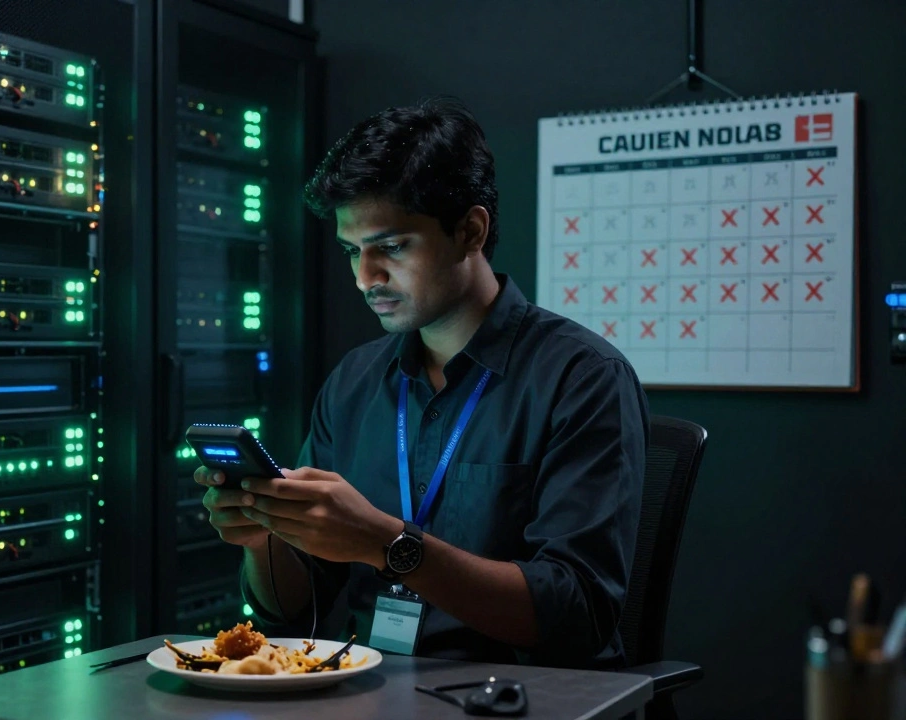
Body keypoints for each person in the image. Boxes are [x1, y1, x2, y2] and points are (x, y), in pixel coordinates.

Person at [193, 97, 649, 670]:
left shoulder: (582, 378)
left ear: (470, 231)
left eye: (391, 247)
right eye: (352, 252)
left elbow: (578, 615)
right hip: (374, 696)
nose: (365, 278)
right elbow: (290, 612)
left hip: (520, 699)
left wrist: (388, 545)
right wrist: (263, 536)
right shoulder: (354, 381)